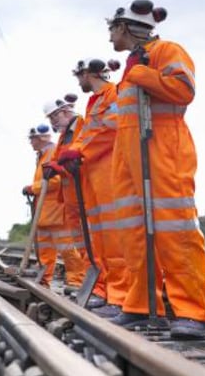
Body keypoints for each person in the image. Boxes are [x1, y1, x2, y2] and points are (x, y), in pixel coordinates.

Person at [106, 0, 205, 338]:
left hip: (163, 149)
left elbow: (184, 89)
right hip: (130, 155)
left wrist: (144, 73)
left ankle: (192, 313)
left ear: (124, 27)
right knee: (134, 234)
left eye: (112, 30)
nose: (110, 38)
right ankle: (139, 305)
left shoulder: (166, 50)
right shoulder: (130, 69)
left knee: (174, 229)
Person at [57, 58, 129, 317]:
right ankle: (105, 290)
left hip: (109, 173)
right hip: (94, 176)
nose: (78, 82)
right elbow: (89, 136)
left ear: (89, 73)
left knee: (114, 239)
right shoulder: (95, 101)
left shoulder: (112, 94)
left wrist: (78, 150)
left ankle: (119, 296)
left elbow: (110, 131)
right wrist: (73, 153)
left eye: (79, 76)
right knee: (99, 238)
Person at [42, 96, 106, 306]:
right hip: (71, 195)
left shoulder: (80, 125)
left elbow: (85, 152)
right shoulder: (64, 135)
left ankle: (101, 286)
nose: (53, 122)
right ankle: (92, 284)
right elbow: (64, 159)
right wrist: (56, 168)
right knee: (81, 244)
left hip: (84, 192)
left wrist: (63, 166)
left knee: (92, 241)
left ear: (65, 111)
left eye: (54, 117)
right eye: (50, 118)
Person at [22, 123, 85, 289]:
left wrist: (32, 188)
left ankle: (76, 282)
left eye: (32, 138)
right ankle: (44, 281)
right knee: (44, 251)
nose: (30, 142)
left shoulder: (53, 153)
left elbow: (55, 179)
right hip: (43, 212)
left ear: (42, 138)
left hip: (57, 211)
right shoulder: (42, 155)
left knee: (68, 249)